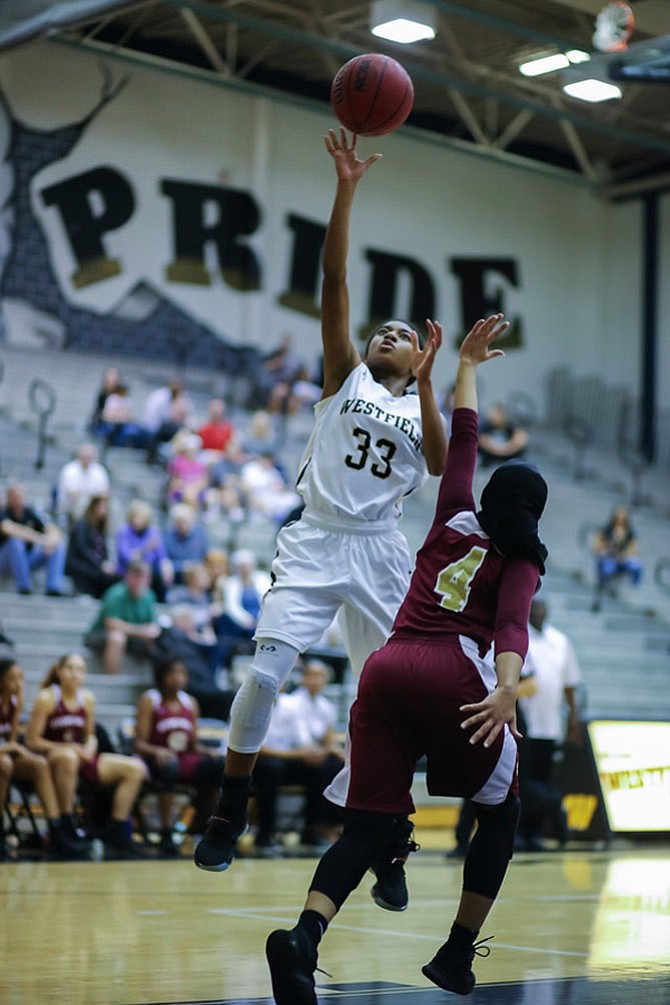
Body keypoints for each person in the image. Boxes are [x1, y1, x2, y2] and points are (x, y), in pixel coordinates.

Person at [264, 311, 549, 1002]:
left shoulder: (452, 509)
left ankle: (303, 938)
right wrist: (507, 690)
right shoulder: (523, 555)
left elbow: (466, 437)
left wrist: (467, 366)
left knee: (365, 823)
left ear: (486, 496)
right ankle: (455, 952)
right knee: (502, 810)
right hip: (454, 673)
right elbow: (511, 627)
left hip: (387, 667)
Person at [194, 128, 448, 875]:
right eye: (381, 329)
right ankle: (228, 805)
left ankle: (388, 840)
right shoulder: (345, 378)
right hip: (315, 538)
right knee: (264, 673)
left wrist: (433, 385)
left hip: (380, 548)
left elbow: (437, 461)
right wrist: (346, 189)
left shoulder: (417, 405)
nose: (387, 332)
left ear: (418, 358)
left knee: (388, 703)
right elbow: (335, 279)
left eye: (401, 334)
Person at [25, 653, 148, 858]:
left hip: (80, 758)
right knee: (68, 757)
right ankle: (66, 824)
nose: (75, 674)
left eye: (80, 670)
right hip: (52, 759)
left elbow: (90, 735)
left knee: (135, 768)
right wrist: (69, 747)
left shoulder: (87, 698)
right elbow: (33, 741)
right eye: (71, 668)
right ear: (60, 671)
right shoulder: (47, 697)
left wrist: (90, 746)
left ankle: (116, 832)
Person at [133, 658, 227, 856]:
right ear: (162, 675)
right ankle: (167, 832)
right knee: (169, 766)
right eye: (173, 673)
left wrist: (206, 751)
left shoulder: (190, 702)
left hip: (184, 758)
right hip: (155, 758)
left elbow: (193, 745)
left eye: (182, 673)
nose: (178, 678)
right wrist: (157, 751)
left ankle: (202, 826)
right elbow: (139, 743)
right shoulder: (151, 699)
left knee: (219, 766)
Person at [252, 659, 344, 855]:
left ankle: (316, 828)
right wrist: (305, 752)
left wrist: (320, 752)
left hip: (287, 759)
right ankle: (265, 833)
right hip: (262, 762)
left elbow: (305, 740)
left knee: (325, 766)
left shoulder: (294, 705)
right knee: (271, 769)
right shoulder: (285, 702)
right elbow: (257, 747)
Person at [0, 658, 88, 860]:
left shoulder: (15, 701)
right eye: (12, 679)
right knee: (4, 764)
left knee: (39, 764)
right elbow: (21, 744)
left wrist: (13, 748)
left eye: (21, 678)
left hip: (5, 754)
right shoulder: (48, 698)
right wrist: (12, 748)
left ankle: (56, 828)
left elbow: (12, 741)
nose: (18, 683)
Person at [516, 596, 581, 851]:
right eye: (534, 609)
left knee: (543, 782)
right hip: (525, 726)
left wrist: (574, 718)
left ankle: (535, 833)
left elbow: (570, 684)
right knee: (523, 783)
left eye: (542, 609)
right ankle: (518, 832)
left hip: (550, 724)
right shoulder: (521, 638)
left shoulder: (561, 642)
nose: (539, 613)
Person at [84, 560, 161, 675]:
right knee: (117, 637)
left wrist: (153, 631)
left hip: (132, 639)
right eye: (137, 576)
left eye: (145, 577)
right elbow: (111, 623)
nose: (140, 581)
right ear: (128, 576)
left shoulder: (149, 595)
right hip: (100, 635)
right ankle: (112, 681)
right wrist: (140, 631)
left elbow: (152, 624)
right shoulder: (116, 593)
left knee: (158, 641)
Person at [0, 482, 67, 596]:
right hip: (5, 561)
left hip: (26, 560)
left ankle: (53, 587)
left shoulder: (29, 513)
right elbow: (8, 528)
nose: (19, 500)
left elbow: (52, 529)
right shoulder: (4, 513)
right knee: (16, 543)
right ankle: (24, 587)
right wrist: (40, 539)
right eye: (15, 497)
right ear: (9, 498)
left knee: (58, 546)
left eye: (21, 496)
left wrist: (51, 541)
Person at [115, 499, 174, 602]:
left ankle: (161, 603)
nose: (137, 521)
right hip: (128, 570)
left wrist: (166, 565)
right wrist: (145, 548)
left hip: (149, 572)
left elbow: (162, 556)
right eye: (135, 517)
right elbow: (127, 557)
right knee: (139, 573)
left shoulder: (153, 532)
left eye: (141, 518)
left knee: (162, 573)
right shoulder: (123, 531)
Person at [65, 495, 120, 598]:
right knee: (102, 576)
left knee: (115, 576)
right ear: (94, 507)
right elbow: (82, 550)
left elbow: (103, 551)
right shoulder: (82, 524)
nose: (105, 511)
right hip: (79, 564)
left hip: (93, 564)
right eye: (102, 507)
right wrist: (100, 564)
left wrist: (106, 563)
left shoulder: (99, 528)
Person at [591, 505, 642, 612]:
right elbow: (597, 546)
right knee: (607, 567)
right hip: (609, 558)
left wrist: (625, 555)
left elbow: (633, 550)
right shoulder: (607, 530)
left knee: (636, 565)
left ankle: (633, 586)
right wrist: (607, 547)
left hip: (622, 559)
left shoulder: (629, 533)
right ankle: (606, 586)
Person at [56, 443, 110, 526]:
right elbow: (71, 494)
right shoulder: (69, 470)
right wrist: (91, 495)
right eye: (84, 456)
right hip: (72, 509)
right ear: (79, 456)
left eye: (89, 457)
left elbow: (105, 493)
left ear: (94, 457)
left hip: (93, 510)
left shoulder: (99, 471)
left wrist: (85, 495)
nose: (86, 459)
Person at [478, 403, 528, 468]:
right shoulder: (485, 426)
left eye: (497, 413)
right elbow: (483, 441)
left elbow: (521, 438)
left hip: (510, 460)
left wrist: (505, 449)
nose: (493, 416)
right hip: (489, 461)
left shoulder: (511, 426)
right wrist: (502, 449)